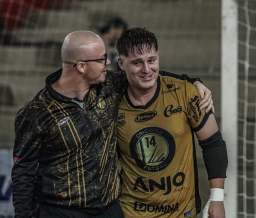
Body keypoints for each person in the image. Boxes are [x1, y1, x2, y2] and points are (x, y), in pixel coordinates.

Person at [11, 30, 213, 218]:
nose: (108, 62)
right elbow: (23, 173)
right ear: (81, 66)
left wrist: (193, 82)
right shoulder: (36, 113)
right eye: (101, 59)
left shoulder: (109, 85)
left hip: (110, 209)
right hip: (59, 211)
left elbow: (147, 74)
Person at [116, 27, 228, 218]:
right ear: (121, 63)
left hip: (181, 212)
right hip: (131, 212)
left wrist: (217, 198)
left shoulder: (186, 92)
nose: (146, 69)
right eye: (137, 62)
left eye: (151, 60)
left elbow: (213, 143)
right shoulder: (110, 101)